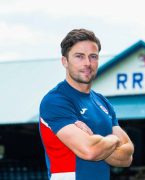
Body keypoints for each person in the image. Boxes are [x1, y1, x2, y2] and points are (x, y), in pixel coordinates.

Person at [39, 28, 134, 180]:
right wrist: (113, 140)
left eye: (93, 57)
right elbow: (89, 151)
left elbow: (127, 157)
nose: (87, 63)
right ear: (65, 61)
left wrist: (97, 142)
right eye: (79, 56)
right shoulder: (55, 100)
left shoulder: (102, 102)